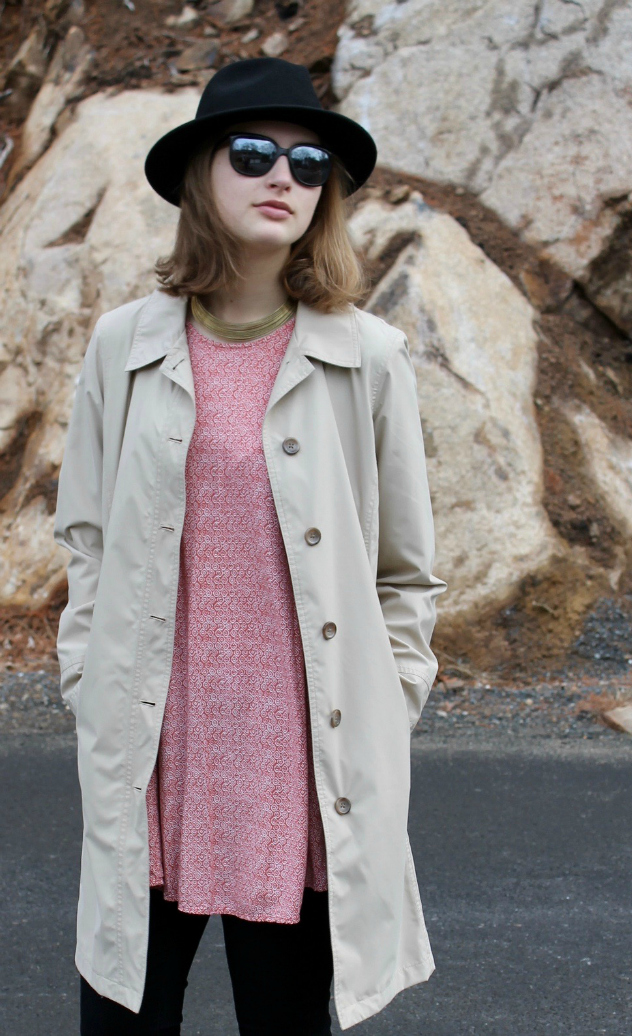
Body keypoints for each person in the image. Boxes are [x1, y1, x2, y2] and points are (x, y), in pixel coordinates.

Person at [53, 56, 447, 1036]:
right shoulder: (125, 347)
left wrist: (386, 708)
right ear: (199, 175)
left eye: (310, 162)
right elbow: (88, 538)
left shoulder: (368, 358)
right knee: (121, 1018)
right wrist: (86, 681)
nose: (284, 176)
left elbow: (406, 571)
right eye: (253, 153)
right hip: (156, 752)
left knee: (283, 1019)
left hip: (298, 765)